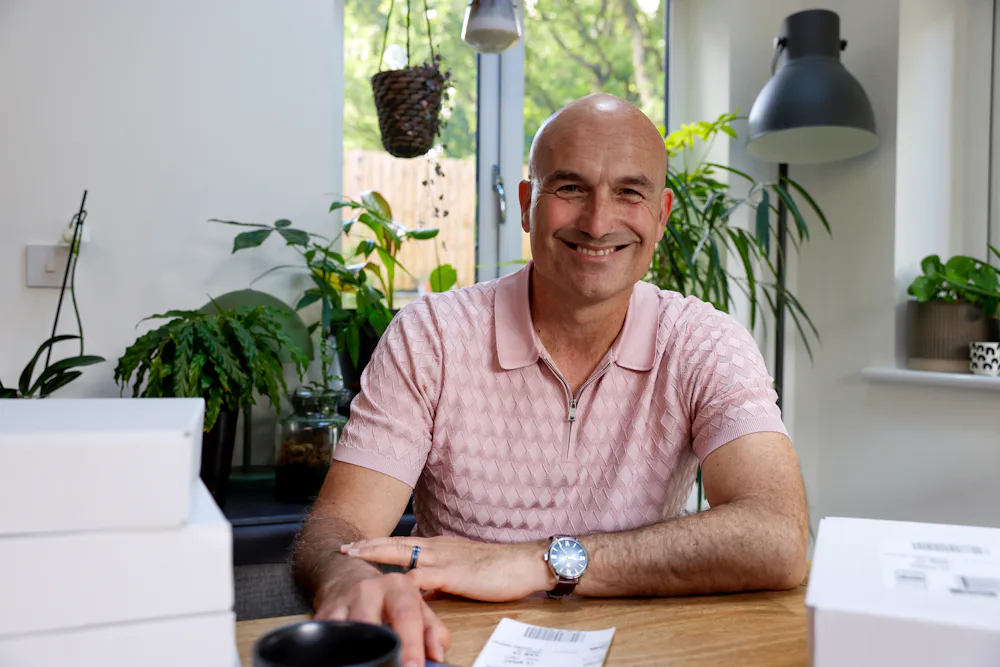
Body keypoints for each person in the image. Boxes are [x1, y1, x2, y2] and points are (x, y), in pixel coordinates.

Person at [292, 93, 809, 667]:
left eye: (629, 192)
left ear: (660, 215)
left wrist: (533, 561)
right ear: (526, 204)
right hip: (458, 648)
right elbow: (338, 528)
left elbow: (778, 536)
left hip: (652, 647)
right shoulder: (430, 336)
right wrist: (342, 576)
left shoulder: (703, 341)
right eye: (569, 188)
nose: (597, 221)